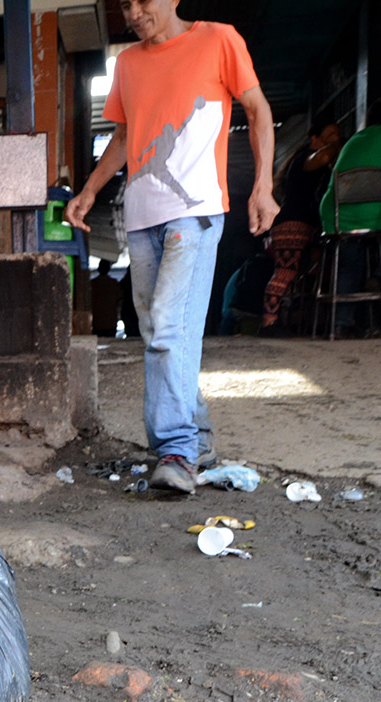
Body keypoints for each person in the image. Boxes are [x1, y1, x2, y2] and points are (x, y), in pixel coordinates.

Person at [64, 0, 279, 493]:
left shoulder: (218, 40)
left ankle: (176, 452)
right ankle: (198, 438)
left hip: (195, 211)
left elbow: (258, 109)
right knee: (163, 330)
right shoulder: (129, 63)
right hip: (141, 217)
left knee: (166, 328)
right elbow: (124, 135)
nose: (134, 12)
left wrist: (263, 185)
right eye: (125, 4)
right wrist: (91, 190)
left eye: (142, 0)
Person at [258, 121, 342, 334]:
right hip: (292, 223)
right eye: (329, 133)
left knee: (305, 273)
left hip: (308, 224)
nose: (334, 138)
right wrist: (337, 144)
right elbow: (323, 156)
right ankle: (269, 323)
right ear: (314, 138)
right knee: (285, 272)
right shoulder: (304, 159)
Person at [318, 100, 381, 337]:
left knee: (349, 266)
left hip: (338, 217)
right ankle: (377, 276)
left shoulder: (353, 141)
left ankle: (341, 325)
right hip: (373, 215)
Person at [90, 259, 123, 337]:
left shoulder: (92, 284)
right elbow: (119, 299)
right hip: (110, 321)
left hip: (96, 322)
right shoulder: (113, 284)